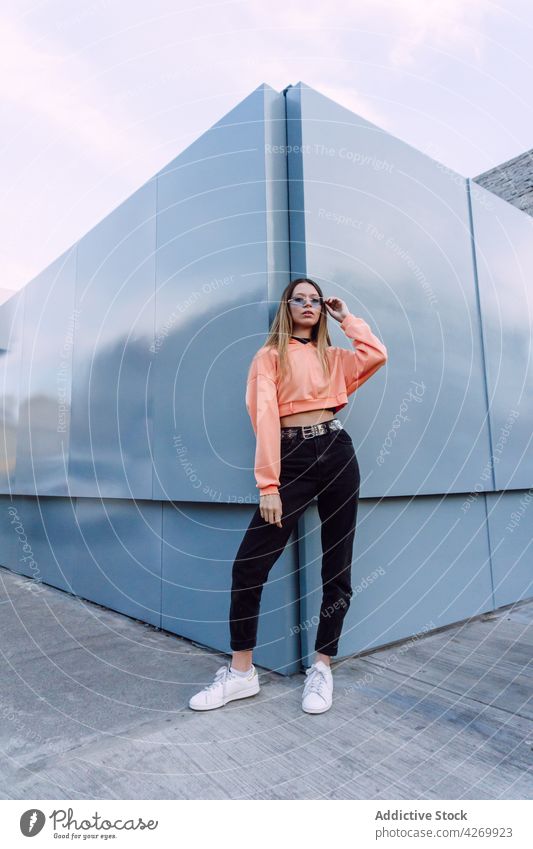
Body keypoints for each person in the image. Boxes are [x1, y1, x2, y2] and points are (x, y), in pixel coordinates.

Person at [189, 277, 387, 713]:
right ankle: (241, 673)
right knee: (249, 565)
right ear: (286, 307)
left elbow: (376, 354)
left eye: (315, 300)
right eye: (299, 298)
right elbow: (263, 418)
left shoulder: (333, 356)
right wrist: (269, 484)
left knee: (337, 565)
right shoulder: (269, 357)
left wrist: (346, 317)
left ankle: (322, 667)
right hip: (292, 456)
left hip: (336, 451)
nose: (308, 304)